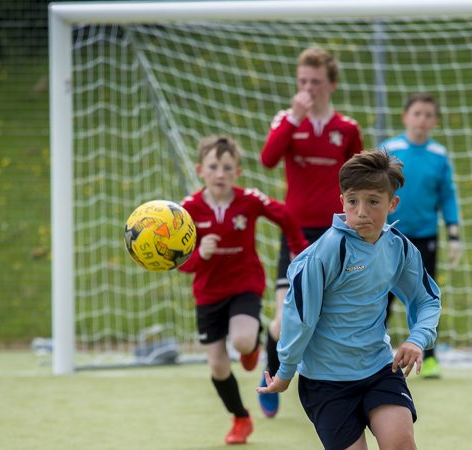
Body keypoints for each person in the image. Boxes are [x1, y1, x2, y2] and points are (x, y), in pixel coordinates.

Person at [258, 149, 441, 450]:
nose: (361, 211)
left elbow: (427, 300)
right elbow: (300, 316)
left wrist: (417, 339)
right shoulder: (327, 252)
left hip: (380, 369)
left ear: (392, 204)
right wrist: (285, 371)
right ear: (342, 201)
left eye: (373, 201)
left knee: (401, 443)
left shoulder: (399, 248)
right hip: (326, 382)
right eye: (353, 201)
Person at [179, 135, 308, 444]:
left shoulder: (249, 199)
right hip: (208, 294)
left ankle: (251, 349)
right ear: (200, 170)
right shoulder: (188, 210)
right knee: (218, 366)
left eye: (227, 167)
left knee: (242, 338)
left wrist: (298, 249)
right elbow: (180, 262)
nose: (220, 173)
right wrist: (200, 254)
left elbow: (285, 215)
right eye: (213, 166)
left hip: (244, 285)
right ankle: (240, 418)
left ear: (237, 172)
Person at [260, 46, 363, 417]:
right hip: (296, 233)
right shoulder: (285, 120)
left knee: (331, 317)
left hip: (336, 234)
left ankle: (340, 393)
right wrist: (293, 119)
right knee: (282, 320)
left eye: (316, 82)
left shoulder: (347, 129)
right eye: (303, 81)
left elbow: (360, 180)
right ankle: (269, 370)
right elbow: (268, 159)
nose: (308, 88)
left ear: (331, 84)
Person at [380, 92, 462, 379]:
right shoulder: (388, 149)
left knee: (424, 296)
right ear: (405, 117)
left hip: (425, 237)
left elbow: (447, 196)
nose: (422, 119)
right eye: (417, 113)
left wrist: (454, 233)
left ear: (435, 121)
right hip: (390, 236)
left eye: (428, 115)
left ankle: (428, 356)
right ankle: (376, 352)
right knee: (383, 295)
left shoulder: (439, 155)